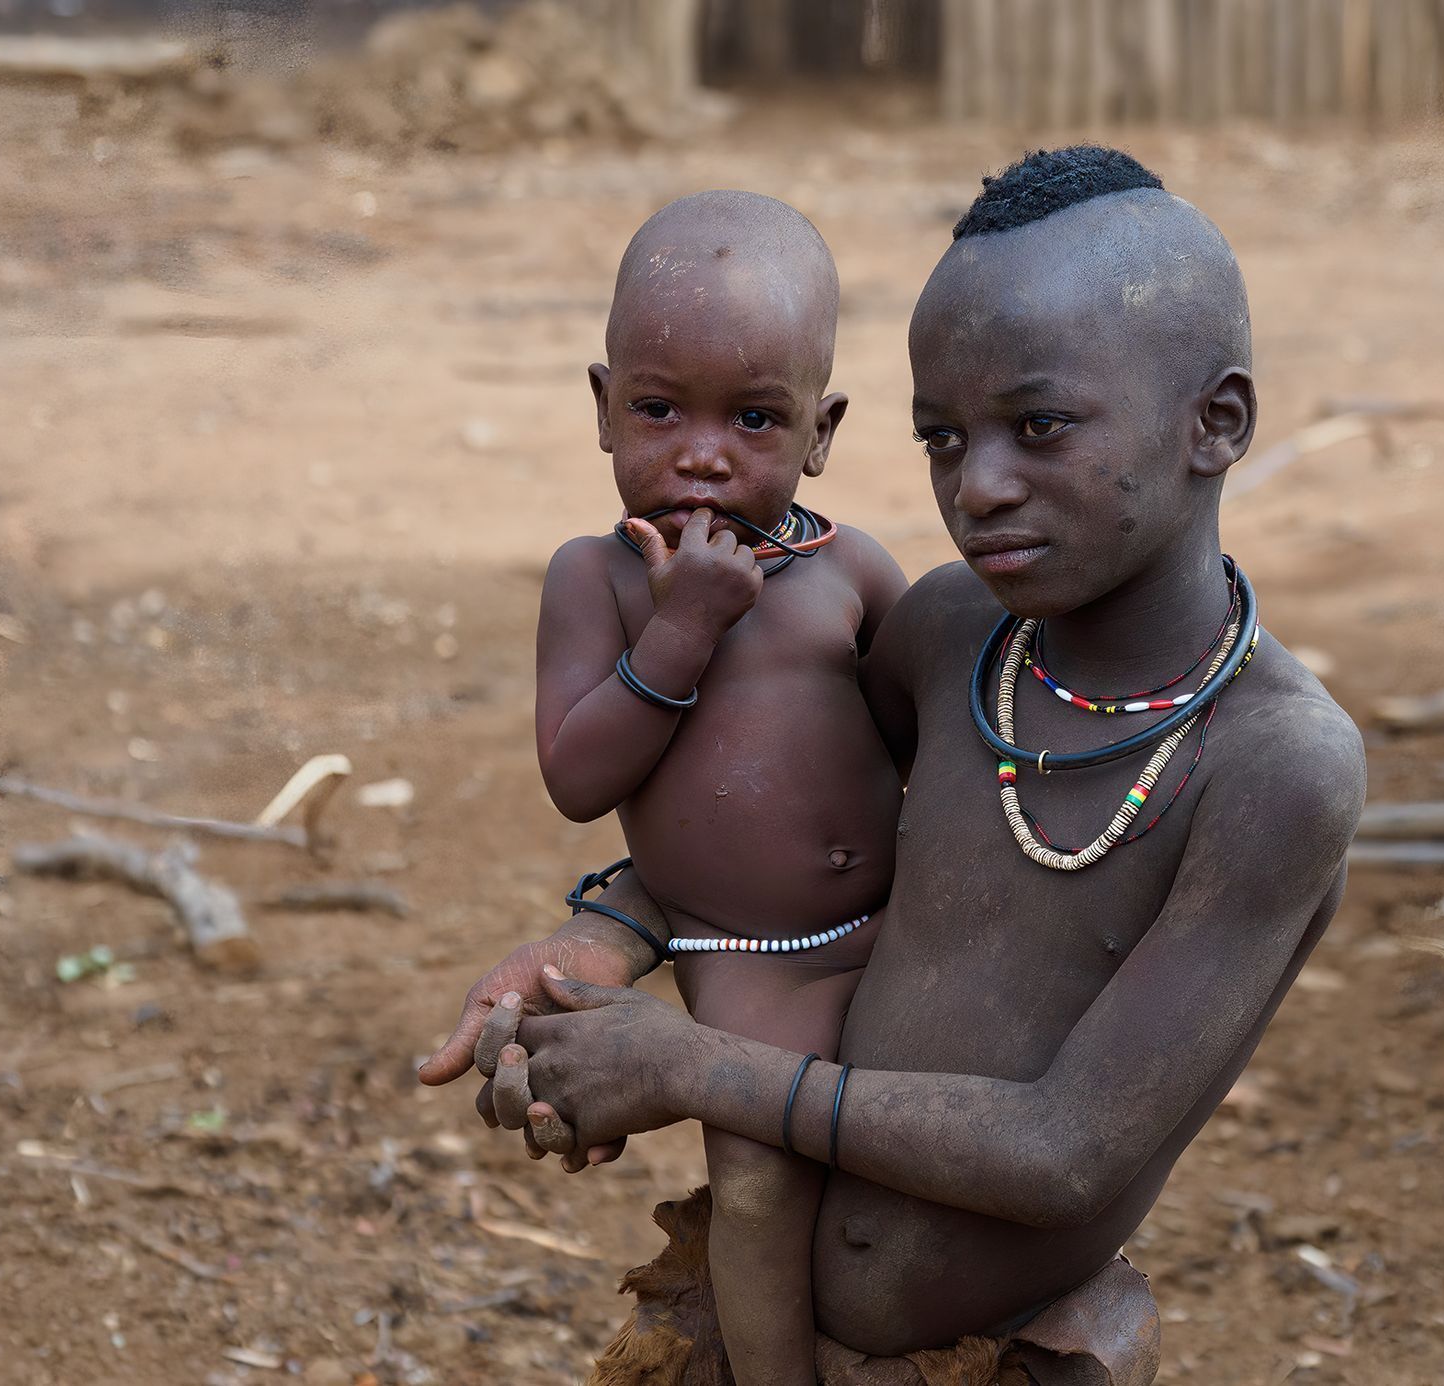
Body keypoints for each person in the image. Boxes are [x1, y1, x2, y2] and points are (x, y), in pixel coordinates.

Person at [424, 147, 1366, 1382]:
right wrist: (607, 937)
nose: (975, 488)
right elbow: (786, 821)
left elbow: (1065, 1151)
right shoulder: (953, 637)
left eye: (1037, 426)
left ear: (1216, 423)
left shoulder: (1269, 765)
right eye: (942, 437)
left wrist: (693, 1067)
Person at [489, 187, 910, 1385]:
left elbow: (921, 743)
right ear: (602, 407)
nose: (701, 454)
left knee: (909, 1170)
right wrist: (680, 634)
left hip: (895, 943)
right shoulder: (598, 583)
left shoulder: (852, 575)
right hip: (750, 967)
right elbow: (577, 778)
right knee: (764, 1188)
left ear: (820, 434)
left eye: (756, 419)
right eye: (658, 409)